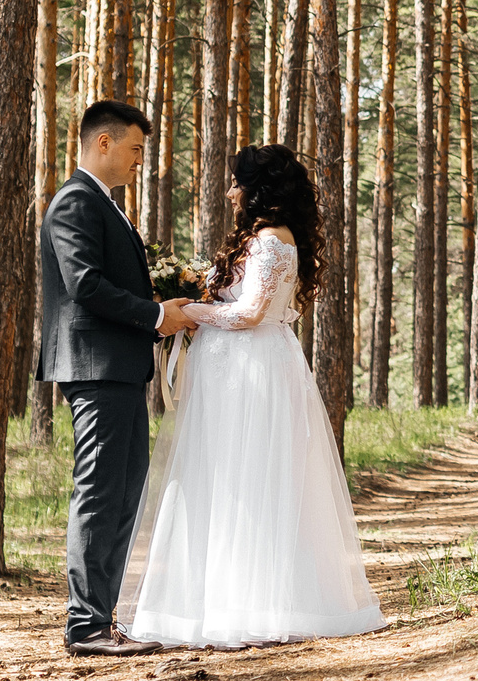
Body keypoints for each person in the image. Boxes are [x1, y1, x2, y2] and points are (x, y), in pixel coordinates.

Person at [116, 144, 384, 649]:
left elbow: (250, 313)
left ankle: (256, 603)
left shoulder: (272, 241)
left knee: (250, 477)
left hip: (252, 370)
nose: (229, 191)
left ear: (259, 189)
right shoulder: (260, 238)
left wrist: (189, 312)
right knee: (224, 480)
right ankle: (222, 600)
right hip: (232, 370)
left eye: (236, 183)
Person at [41, 98, 192, 658]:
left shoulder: (104, 203)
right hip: (95, 367)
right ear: (102, 142)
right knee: (100, 493)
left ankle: (101, 619)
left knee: (125, 493)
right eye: (134, 148)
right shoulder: (75, 202)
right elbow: (83, 284)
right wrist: (155, 316)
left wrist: (163, 305)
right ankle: (85, 626)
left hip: (120, 368)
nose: (139, 160)